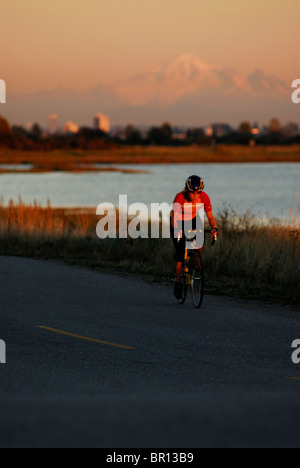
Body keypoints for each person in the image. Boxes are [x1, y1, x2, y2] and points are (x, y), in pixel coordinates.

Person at [170, 175, 219, 299]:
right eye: (192, 193)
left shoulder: (204, 197)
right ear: (187, 190)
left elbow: (210, 217)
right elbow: (174, 218)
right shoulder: (180, 197)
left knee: (200, 236)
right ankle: (178, 282)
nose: (195, 196)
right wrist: (178, 230)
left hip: (192, 219)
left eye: (198, 193)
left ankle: (194, 257)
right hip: (177, 221)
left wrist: (214, 228)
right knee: (180, 254)